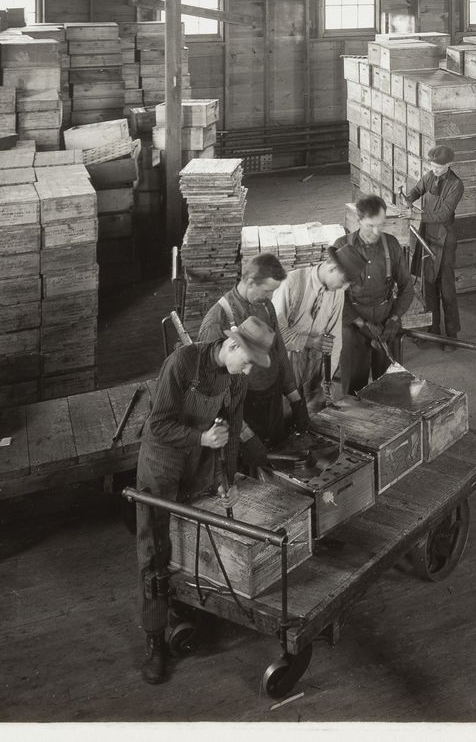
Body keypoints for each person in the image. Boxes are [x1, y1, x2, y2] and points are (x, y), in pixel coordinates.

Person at [134, 315, 275, 685]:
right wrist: (201, 439)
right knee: (154, 550)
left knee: (193, 540)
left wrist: (224, 480)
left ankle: (185, 610)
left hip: (198, 465)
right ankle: (154, 642)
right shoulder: (182, 363)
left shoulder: (236, 378)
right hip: (161, 464)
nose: (246, 370)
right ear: (231, 346)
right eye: (245, 361)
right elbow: (158, 425)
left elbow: (228, 429)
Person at [196, 252, 307, 450]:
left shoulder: (266, 306)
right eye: (266, 291)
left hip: (271, 400)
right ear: (249, 282)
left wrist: (295, 399)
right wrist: (245, 435)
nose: (271, 297)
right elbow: (213, 392)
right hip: (242, 409)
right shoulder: (216, 322)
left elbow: (279, 352)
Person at [332, 195, 415, 393]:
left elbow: (407, 287)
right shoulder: (342, 247)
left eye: (381, 225)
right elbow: (334, 296)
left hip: (386, 320)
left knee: (390, 383)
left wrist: (395, 318)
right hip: (353, 322)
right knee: (353, 384)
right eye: (370, 226)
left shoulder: (392, 245)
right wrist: (360, 323)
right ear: (359, 220)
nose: (376, 232)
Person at [271, 247, 358, 412]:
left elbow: (334, 340)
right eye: (343, 281)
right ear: (332, 268)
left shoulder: (337, 292)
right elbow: (274, 331)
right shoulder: (292, 283)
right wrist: (309, 342)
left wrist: (326, 380)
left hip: (313, 368)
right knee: (285, 414)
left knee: (310, 416)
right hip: (287, 366)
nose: (344, 287)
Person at [401, 144, 464, 351]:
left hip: (445, 239)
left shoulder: (456, 185)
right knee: (428, 284)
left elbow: (444, 214)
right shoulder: (430, 177)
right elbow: (418, 189)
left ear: (449, 165)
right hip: (427, 235)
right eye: (432, 166)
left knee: (445, 287)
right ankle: (433, 330)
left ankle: (451, 335)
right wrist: (408, 199)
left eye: (438, 167)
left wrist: (417, 215)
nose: (434, 170)